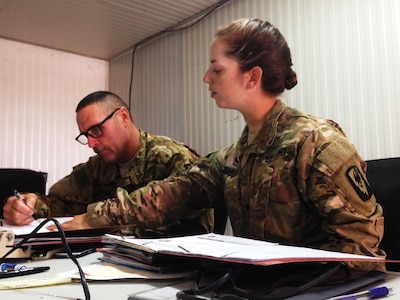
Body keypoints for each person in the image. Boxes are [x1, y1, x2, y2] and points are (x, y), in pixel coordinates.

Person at [40, 19, 385, 270]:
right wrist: (89, 219)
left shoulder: (317, 145)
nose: (206, 78)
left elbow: (363, 250)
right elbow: (167, 195)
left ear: (252, 76)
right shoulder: (233, 158)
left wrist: (290, 283)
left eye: (216, 69)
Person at [3, 91, 213, 237]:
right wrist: (30, 205)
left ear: (123, 116)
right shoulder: (98, 167)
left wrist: (103, 227)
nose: (92, 143)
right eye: (86, 135)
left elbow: (194, 230)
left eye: (96, 130)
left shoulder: (173, 158)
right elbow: (63, 204)